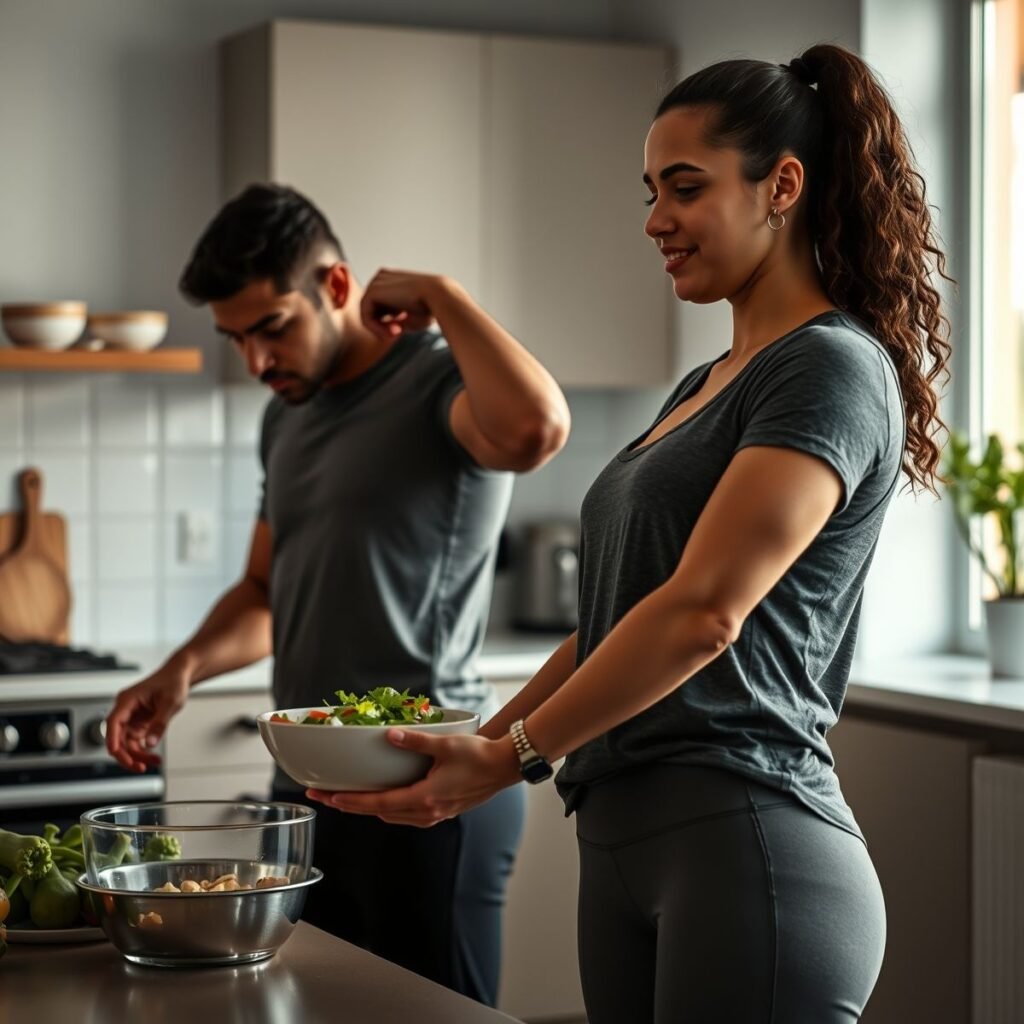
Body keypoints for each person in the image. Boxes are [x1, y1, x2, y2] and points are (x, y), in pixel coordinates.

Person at [307, 43, 953, 1023]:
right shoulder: (704, 386)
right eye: (650, 190)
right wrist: (474, 753)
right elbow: (621, 617)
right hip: (618, 841)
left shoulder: (829, 369)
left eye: (684, 189)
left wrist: (516, 750)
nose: (655, 221)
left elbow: (701, 614)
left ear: (782, 185)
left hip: (746, 839)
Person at [105, 183, 571, 1006]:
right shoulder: (283, 418)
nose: (254, 362)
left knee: (434, 1017)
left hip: (425, 783)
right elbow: (263, 590)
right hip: (313, 786)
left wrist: (442, 294)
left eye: (272, 328)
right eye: (235, 339)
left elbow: (536, 430)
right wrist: (181, 672)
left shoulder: (437, 383)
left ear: (338, 287)